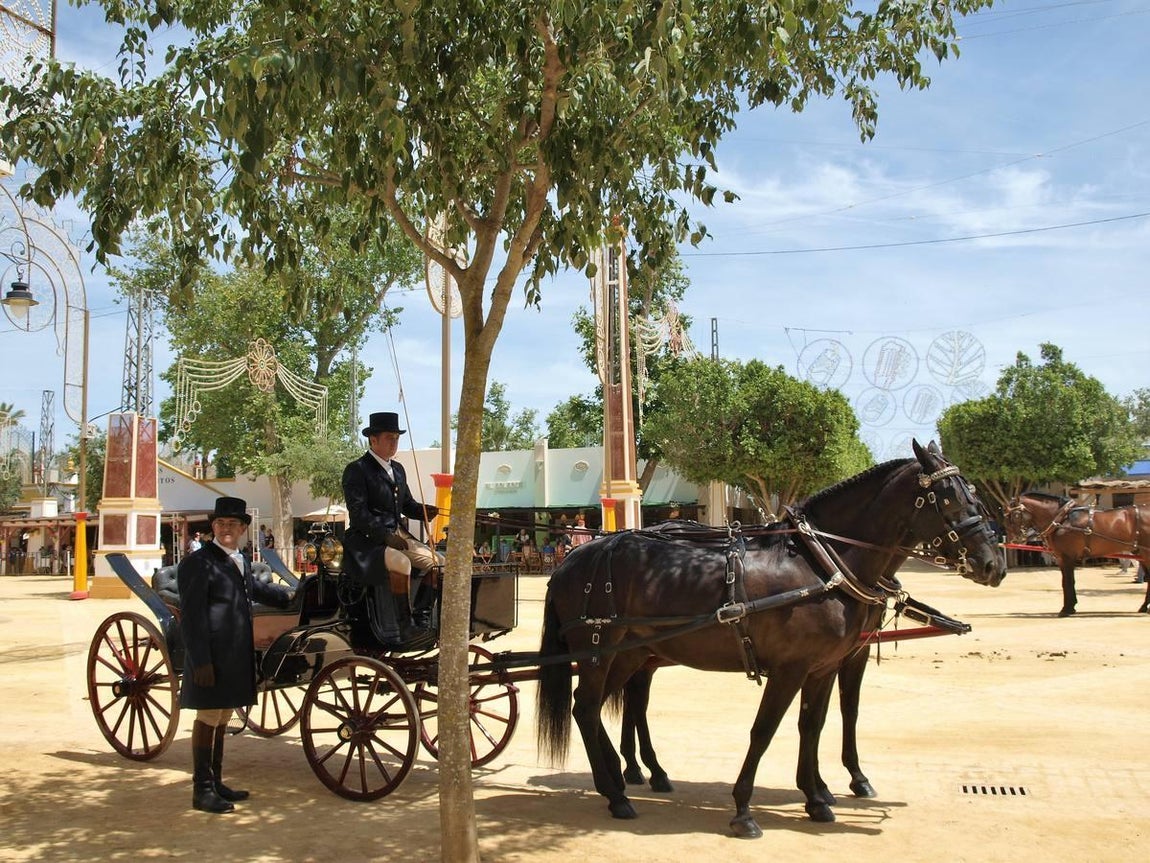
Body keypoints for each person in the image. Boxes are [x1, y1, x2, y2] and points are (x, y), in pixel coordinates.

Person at [177, 496, 293, 814]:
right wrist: (200, 661)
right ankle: (201, 790)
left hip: (236, 651)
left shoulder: (237, 559)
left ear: (243, 528)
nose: (226, 529)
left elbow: (252, 589)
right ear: (213, 527)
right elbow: (193, 616)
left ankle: (215, 782)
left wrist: (291, 596)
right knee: (209, 716)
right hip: (212, 653)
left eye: (233, 524)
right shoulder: (197, 564)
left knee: (225, 715)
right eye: (221, 524)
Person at [342, 411, 443, 647]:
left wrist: (425, 510)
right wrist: (385, 536)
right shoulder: (357, 470)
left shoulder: (398, 469)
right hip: (366, 541)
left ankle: (422, 617)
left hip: (397, 535)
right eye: (389, 438)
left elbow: (406, 505)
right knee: (402, 563)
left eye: (397, 438)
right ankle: (403, 625)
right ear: (373, 440)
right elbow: (359, 514)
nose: (394, 443)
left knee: (438, 563)